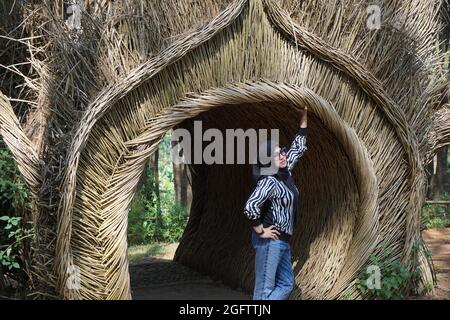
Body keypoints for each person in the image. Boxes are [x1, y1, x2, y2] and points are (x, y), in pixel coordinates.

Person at [244, 107, 308, 300]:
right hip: (270, 241)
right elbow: (250, 206)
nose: (281, 155)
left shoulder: (285, 172)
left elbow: (298, 147)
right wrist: (260, 230)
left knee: (286, 284)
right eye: (276, 154)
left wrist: (304, 116)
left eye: (281, 151)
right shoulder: (269, 180)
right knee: (264, 291)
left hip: (283, 241)